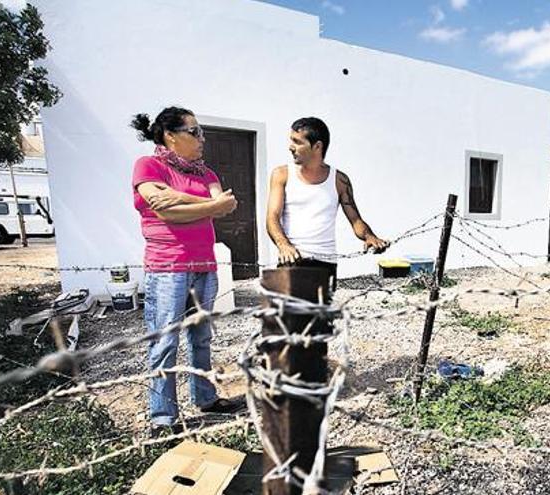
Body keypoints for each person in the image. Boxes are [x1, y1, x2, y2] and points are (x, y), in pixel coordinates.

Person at [130, 106, 245, 434]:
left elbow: (224, 205)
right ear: (170, 136)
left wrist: (179, 201)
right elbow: (163, 209)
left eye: (201, 131)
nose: (201, 138)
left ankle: (205, 399)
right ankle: (163, 418)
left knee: (200, 337)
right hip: (167, 268)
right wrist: (207, 207)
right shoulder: (148, 165)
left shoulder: (206, 173)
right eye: (194, 132)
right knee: (165, 341)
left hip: (203, 266)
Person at [266, 117, 389, 291]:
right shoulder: (281, 175)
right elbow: (272, 217)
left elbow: (355, 220)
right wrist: (283, 245)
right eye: (291, 140)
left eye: (297, 142)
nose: (290, 146)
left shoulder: (340, 180)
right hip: (291, 261)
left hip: (326, 264)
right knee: (286, 318)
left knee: (320, 319)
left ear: (317, 146)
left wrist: (370, 236)